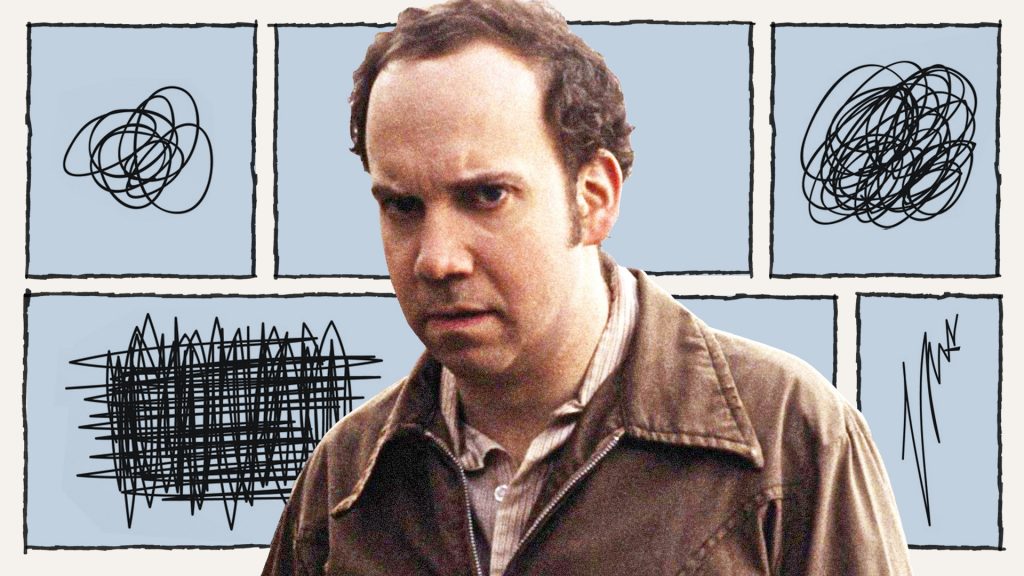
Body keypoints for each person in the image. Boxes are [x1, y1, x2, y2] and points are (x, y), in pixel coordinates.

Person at [263, 0, 912, 574]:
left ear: (594, 197)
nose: (437, 260)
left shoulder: (787, 439)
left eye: (486, 196)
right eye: (403, 206)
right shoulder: (347, 479)